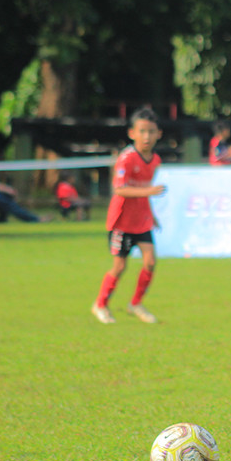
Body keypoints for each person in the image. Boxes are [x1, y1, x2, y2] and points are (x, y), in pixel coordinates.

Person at [91, 107, 166, 324]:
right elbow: (119, 189)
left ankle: (136, 303)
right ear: (132, 133)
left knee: (150, 262)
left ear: (158, 134)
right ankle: (101, 304)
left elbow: (145, 190)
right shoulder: (126, 158)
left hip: (142, 221)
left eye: (151, 132)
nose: (146, 136)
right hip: (122, 222)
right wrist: (149, 192)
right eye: (142, 131)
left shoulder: (155, 160)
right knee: (120, 267)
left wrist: (152, 215)